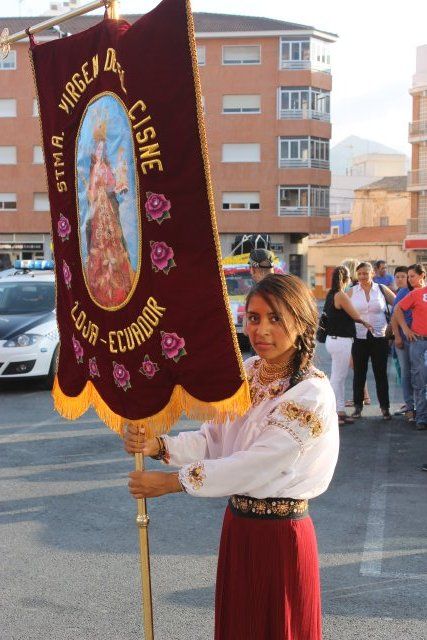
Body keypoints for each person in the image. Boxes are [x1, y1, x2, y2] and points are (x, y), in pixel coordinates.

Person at [124, 274, 339, 640]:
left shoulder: (311, 393)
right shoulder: (250, 372)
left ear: (302, 323)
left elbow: (257, 463)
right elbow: (216, 438)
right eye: (253, 318)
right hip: (239, 527)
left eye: (275, 318)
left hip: (281, 537)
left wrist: (174, 483)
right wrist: (161, 447)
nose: (262, 329)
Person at [324, 266, 373, 426]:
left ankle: (340, 410)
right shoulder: (341, 295)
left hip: (333, 340)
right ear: (345, 279)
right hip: (341, 341)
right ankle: (333, 412)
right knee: (337, 378)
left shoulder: (331, 294)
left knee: (339, 376)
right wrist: (365, 322)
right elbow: (355, 315)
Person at [347, 262, 395, 419]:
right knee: (359, 374)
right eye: (359, 273)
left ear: (372, 273)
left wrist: (392, 327)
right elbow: (341, 308)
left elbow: (398, 305)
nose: (362, 276)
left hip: (379, 336)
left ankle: (385, 408)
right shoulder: (352, 292)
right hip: (359, 337)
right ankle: (357, 407)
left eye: (365, 273)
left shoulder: (381, 289)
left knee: (380, 373)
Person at [393, 263, 427, 431]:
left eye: (413, 276)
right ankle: (421, 418)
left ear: (422, 276)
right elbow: (397, 310)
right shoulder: (415, 294)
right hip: (419, 342)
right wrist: (405, 330)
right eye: (410, 276)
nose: (410, 279)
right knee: (418, 380)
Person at [341, 258, 372, 407]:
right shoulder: (357, 287)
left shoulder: (350, 289)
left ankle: (359, 397)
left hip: (353, 332)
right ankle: (364, 396)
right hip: (361, 331)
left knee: (356, 365)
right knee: (358, 366)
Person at [390, 266, 414, 420]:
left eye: (403, 276)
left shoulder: (409, 292)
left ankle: (412, 405)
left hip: (415, 340)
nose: (400, 279)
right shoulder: (402, 293)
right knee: (406, 373)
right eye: (397, 277)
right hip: (404, 340)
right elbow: (394, 317)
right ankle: (410, 405)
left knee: (411, 373)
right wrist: (397, 337)